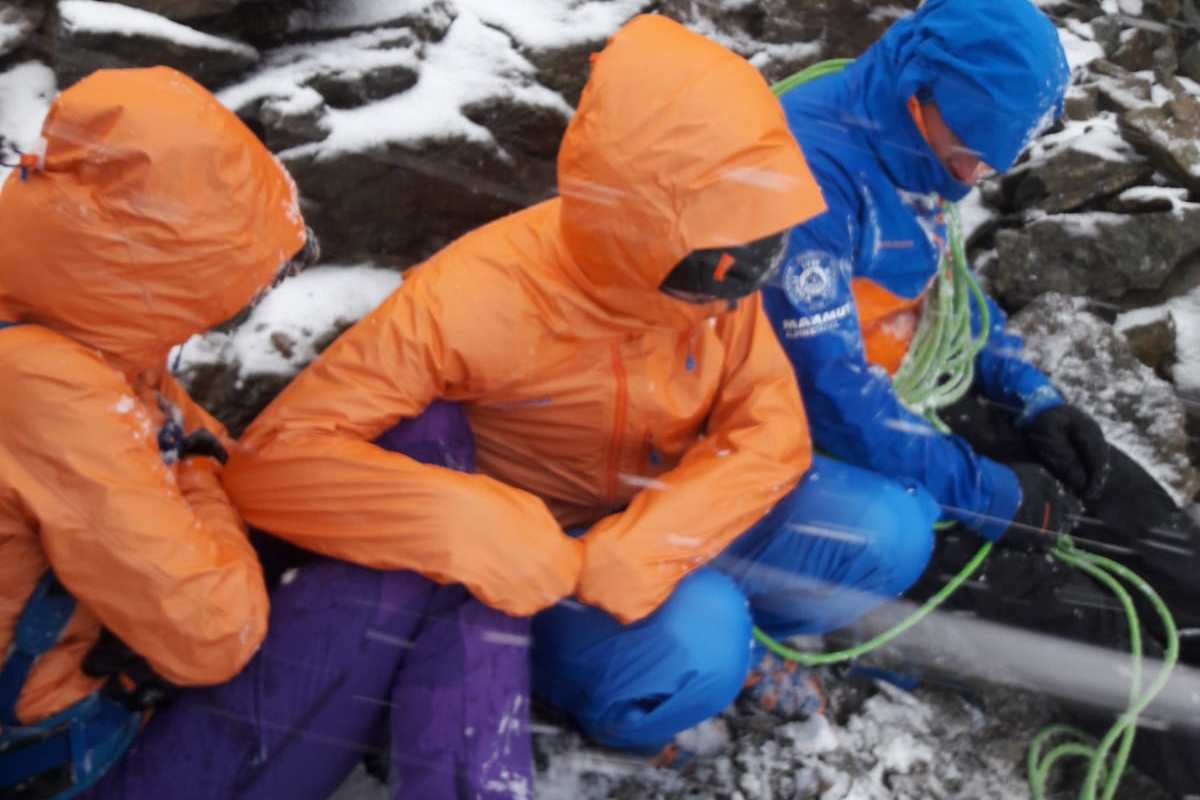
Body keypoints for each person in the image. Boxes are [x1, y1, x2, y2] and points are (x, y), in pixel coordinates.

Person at [224, 14, 942, 757]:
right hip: (550, 565)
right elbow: (274, 461)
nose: (739, 299)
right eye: (727, 271)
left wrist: (656, 542)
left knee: (888, 533)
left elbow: (771, 428)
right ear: (639, 231)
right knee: (702, 641)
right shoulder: (467, 299)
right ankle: (615, 702)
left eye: (765, 250)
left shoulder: (725, 251)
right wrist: (472, 523)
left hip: (662, 515)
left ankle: (712, 639)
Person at [0, 67, 529, 800]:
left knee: (428, 472)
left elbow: (205, 454)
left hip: (129, 677)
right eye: (228, 283)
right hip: (91, 764)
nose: (232, 307)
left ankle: (451, 748)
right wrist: (198, 480)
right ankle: (471, 775)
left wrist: (203, 475)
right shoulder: (48, 389)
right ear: (159, 265)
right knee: (399, 575)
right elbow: (215, 635)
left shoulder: (80, 334)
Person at [761, 0, 1200, 793]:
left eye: (989, 162)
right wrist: (990, 492)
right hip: (815, 445)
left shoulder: (916, 146)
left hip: (912, 396)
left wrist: (1034, 396)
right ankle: (1172, 743)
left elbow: (947, 293)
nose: (972, 178)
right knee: (1065, 602)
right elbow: (831, 395)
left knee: (1132, 509)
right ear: (916, 92)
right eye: (968, 154)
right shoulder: (808, 175)